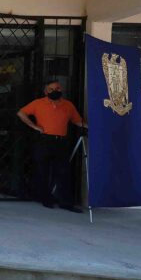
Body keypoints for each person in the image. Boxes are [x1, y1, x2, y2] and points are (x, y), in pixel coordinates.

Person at [17, 79, 87, 213]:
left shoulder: (68, 105)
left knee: (63, 172)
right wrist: (34, 126)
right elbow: (21, 113)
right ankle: (46, 199)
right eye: (51, 89)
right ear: (45, 91)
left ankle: (66, 202)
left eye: (57, 88)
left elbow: (78, 121)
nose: (55, 91)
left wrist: (93, 127)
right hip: (44, 140)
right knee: (43, 171)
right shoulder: (38, 103)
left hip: (61, 141)